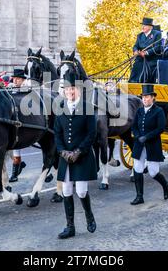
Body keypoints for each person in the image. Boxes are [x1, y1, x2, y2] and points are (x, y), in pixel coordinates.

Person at [55, 75, 97, 239]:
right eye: (67, 89)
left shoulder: (87, 108)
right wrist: (62, 151)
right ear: (64, 91)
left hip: (82, 155)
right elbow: (57, 134)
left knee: (80, 191)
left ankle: (89, 216)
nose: (70, 91)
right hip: (66, 157)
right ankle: (70, 226)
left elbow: (91, 133)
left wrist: (79, 151)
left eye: (72, 89)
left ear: (78, 90)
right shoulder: (60, 108)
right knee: (66, 191)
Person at [130, 85, 168, 205]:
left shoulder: (158, 111)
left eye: (147, 97)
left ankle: (166, 184)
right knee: (137, 168)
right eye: (143, 97)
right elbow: (134, 126)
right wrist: (138, 136)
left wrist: (147, 137)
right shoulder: (139, 111)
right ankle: (139, 196)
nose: (145, 99)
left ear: (153, 98)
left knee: (153, 172)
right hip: (139, 144)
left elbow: (160, 128)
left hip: (152, 144)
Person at [129, 17, 163, 83]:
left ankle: (144, 83)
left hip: (151, 58)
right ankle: (133, 82)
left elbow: (157, 47)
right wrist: (135, 51)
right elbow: (135, 46)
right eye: (142, 25)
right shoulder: (140, 35)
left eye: (145, 25)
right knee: (136, 65)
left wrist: (146, 52)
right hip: (140, 58)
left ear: (150, 27)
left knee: (147, 68)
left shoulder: (157, 34)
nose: (143, 27)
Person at [8, 68, 27, 182]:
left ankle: (15, 173)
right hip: (13, 120)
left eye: (18, 79)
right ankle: (18, 166)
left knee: (16, 148)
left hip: (24, 120)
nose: (15, 81)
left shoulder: (25, 89)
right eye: (14, 78)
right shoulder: (11, 88)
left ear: (22, 80)